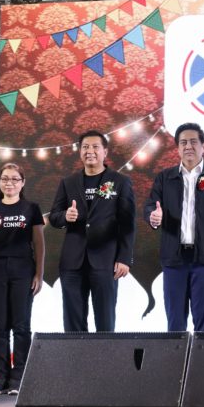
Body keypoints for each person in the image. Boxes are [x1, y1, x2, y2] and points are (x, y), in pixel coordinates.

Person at [144, 122, 204, 332]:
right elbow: (150, 206)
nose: (188, 146)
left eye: (193, 142)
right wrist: (153, 216)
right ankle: (177, 356)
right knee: (175, 324)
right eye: (183, 142)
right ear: (177, 148)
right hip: (174, 260)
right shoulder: (165, 178)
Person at [49, 130, 136, 332]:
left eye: (95, 147)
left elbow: (128, 223)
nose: (90, 151)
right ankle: (75, 354)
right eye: (85, 147)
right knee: (73, 323)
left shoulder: (120, 181)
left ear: (105, 152)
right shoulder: (68, 182)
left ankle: (104, 355)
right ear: (80, 152)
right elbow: (54, 217)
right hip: (72, 262)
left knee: (105, 321)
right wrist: (65, 216)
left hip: (106, 261)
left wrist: (124, 258)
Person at [0, 163, 45, 395]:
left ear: (22, 183)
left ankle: (19, 377)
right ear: (0, 182)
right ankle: (1, 377)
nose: (10, 183)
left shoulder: (31, 208)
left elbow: (39, 243)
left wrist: (39, 274)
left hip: (23, 268)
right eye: (5, 179)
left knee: (21, 326)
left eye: (15, 179)